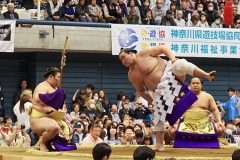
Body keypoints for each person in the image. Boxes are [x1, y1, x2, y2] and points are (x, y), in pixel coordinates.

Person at [119, 46, 217, 151]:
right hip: (160, 93)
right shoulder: (131, 75)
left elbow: (163, 48)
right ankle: (160, 145)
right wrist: (153, 101)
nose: (123, 61)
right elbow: (141, 91)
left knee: (179, 64)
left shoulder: (145, 53)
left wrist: (172, 58)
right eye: (121, 60)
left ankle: (207, 75)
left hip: (171, 77)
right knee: (158, 116)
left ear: (131, 53)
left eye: (124, 57)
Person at [28, 67, 76, 152]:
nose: (59, 80)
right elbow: (38, 100)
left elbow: (59, 108)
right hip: (38, 119)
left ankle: (49, 144)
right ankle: (43, 143)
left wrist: (65, 119)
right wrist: (51, 105)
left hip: (53, 117)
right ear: (51, 77)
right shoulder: (42, 86)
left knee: (70, 130)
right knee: (53, 127)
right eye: (58, 77)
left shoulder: (56, 89)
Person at [168, 77, 224, 148]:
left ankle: (211, 141)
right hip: (187, 124)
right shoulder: (183, 96)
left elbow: (215, 110)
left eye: (197, 83)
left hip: (204, 124)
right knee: (172, 131)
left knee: (220, 129)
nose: (195, 85)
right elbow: (176, 110)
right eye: (193, 83)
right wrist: (174, 122)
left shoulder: (208, 96)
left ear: (201, 85)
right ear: (190, 85)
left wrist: (219, 121)